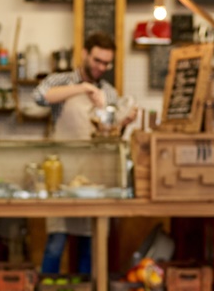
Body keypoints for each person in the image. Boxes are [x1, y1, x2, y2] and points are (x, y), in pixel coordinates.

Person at [32, 32, 136, 275]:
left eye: (106, 63)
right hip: (62, 174)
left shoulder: (109, 93)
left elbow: (109, 133)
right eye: (97, 60)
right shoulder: (62, 80)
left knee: (92, 244)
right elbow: (39, 96)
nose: (102, 67)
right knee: (56, 243)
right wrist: (83, 87)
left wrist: (124, 122)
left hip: (94, 177)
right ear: (84, 54)